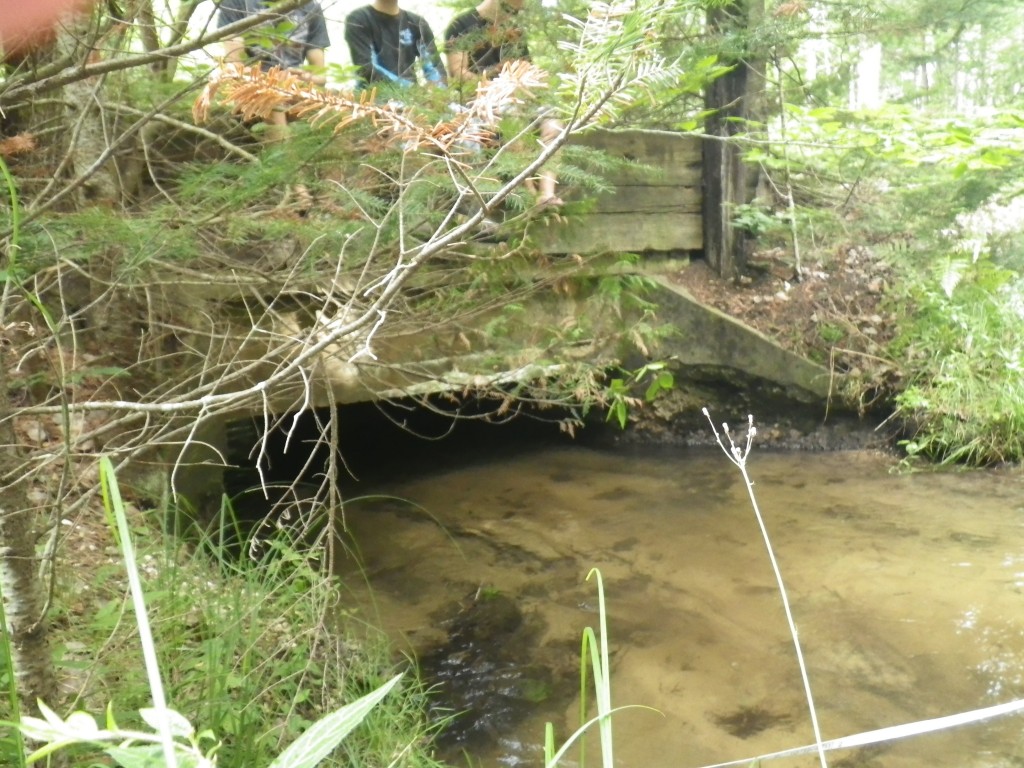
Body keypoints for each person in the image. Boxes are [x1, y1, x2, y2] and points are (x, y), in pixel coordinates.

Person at [445, 0, 563, 207]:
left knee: (554, 123)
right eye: (512, 8)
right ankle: (529, 193)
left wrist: (530, 82)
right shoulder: (462, 24)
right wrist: (496, 85)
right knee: (511, 116)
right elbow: (459, 74)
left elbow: (528, 69)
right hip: (482, 100)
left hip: (519, 95)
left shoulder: (514, 29)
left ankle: (547, 193)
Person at [216, 0, 331, 142]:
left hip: (294, 85)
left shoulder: (310, 7)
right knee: (272, 96)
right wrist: (272, 80)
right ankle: (282, 157)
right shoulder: (236, 4)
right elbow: (234, 67)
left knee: (338, 102)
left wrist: (304, 77)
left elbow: (320, 76)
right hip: (252, 87)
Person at [344, 0, 446, 91]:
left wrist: (437, 95)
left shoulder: (417, 23)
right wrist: (413, 90)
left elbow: (435, 68)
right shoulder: (359, 19)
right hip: (371, 101)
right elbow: (366, 69)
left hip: (413, 103)